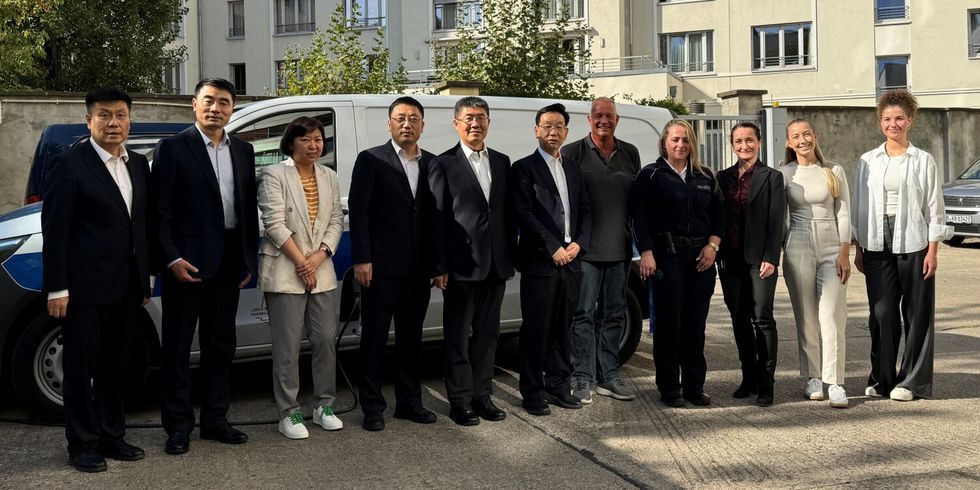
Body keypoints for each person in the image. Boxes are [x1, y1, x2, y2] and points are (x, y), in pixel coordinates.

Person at [42, 88, 151, 472]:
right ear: (89, 120)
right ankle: (83, 444)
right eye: (104, 115)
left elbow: (140, 226)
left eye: (120, 115)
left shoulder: (138, 164)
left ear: (129, 121)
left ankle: (111, 436)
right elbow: (56, 230)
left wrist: (145, 281)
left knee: (116, 366)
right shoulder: (70, 164)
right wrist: (58, 288)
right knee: (80, 368)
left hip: (126, 288)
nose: (113, 122)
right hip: (83, 289)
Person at [153, 78, 259, 454]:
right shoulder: (173, 148)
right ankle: (178, 426)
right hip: (186, 264)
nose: (216, 108)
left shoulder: (243, 151)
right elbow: (159, 211)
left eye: (225, 102)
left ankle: (215, 420)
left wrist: (248, 258)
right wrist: (171, 258)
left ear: (233, 109)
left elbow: (246, 209)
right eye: (209, 101)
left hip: (229, 262)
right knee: (178, 349)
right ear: (194, 105)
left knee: (220, 346)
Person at [852, 89, 952, 401]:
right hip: (875, 242)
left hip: (914, 240)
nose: (892, 124)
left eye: (898, 118)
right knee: (881, 312)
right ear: (880, 122)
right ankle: (882, 380)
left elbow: (935, 207)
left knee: (917, 313)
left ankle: (911, 382)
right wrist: (858, 248)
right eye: (887, 119)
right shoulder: (868, 160)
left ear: (909, 121)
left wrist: (932, 250)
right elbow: (859, 205)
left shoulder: (923, 160)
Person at [348, 96, 438, 431]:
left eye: (414, 118)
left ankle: (409, 403)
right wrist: (362, 258)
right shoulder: (371, 160)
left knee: (411, 341)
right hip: (380, 268)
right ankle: (372, 407)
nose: (407, 124)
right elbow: (360, 213)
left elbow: (435, 217)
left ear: (422, 125)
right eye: (400, 118)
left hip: (418, 271)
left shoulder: (432, 164)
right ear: (389, 123)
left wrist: (437, 264)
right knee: (373, 339)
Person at [429, 96, 515, 426]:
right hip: (460, 268)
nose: (474, 123)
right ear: (456, 124)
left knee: (487, 336)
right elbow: (437, 220)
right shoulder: (443, 163)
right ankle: (460, 400)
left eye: (480, 117)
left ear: (488, 123)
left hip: (495, 266)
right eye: (468, 118)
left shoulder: (503, 162)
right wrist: (439, 266)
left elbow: (505, 215)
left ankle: (483, 396)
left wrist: (507, 260)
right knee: (457, 337)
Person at [257, 116, 345, 438]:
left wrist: (318, 256)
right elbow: (273, 223)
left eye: (318, 139)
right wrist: (302, 262)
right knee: (287, 345)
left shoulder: (329, 176)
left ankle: (324, 405)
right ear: (291, 142)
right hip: (285, 269)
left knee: (324, 339)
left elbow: (336, 220)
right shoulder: (274, 174)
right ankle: (288, 412)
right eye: (306, 139)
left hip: (320, 269)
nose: (313, 145)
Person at [629, 120, 724, 408]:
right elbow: (639, 218)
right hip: (666, 257)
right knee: (670, 324)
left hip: (701, 259)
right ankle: (670, 387)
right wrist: (646, 252)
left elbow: (720, 216)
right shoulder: (651, 175)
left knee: (695, 325)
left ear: (691, 143)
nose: (680, 145)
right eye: (675, 140)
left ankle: (695, 386)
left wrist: (713, 246)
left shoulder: (706, 176)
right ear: (665, 143)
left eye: (685, 140)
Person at [511, 103, 591, 416]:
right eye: (546, 126)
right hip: (540, 262)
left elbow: (585, 210)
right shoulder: (523, 168)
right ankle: (532, 392)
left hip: (571, 261)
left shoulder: (572, 167)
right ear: (536, 130)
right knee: (536, 329)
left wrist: (578, 245)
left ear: (566, 132)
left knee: (563, 328)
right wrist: (552, 246)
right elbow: (524, 213)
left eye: (558, 126)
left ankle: (559, 386)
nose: (552, 131)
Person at [561, 97, 640, 404]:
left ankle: (609, 376)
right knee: (582, 316)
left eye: (609, 115)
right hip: (585, 253)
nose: (603, 120)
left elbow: (637, 203)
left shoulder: (629, 153)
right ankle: (582, 377)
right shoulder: (573, 152)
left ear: (616, 120)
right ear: (589, 119)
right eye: (598, 115)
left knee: (613, 316)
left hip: (620, 251)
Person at [780, 119, 852, 409]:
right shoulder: (784, 173)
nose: (802, 140)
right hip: (797, 245)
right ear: (788, 143)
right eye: (796, 136)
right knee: (807, 316)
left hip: (832, 245)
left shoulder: (833, 170)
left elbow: (844, 212)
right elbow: (780, 216)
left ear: (815, 136)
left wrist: (845, 251)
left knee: (830, 316)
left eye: (807, 134)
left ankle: (834, 381)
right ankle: (812, 377)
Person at [717, 122, 786, 407]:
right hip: (730, 260)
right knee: (739, 319)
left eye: (749, 140)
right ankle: (749, 378)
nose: (744, 146)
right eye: (738, 142)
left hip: (760, 260)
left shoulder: (772, 177)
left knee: (762, 318)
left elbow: (776, 220)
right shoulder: (722, 177)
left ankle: (766, 383)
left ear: (758, 142)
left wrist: (771, 258)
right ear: (732, 145)